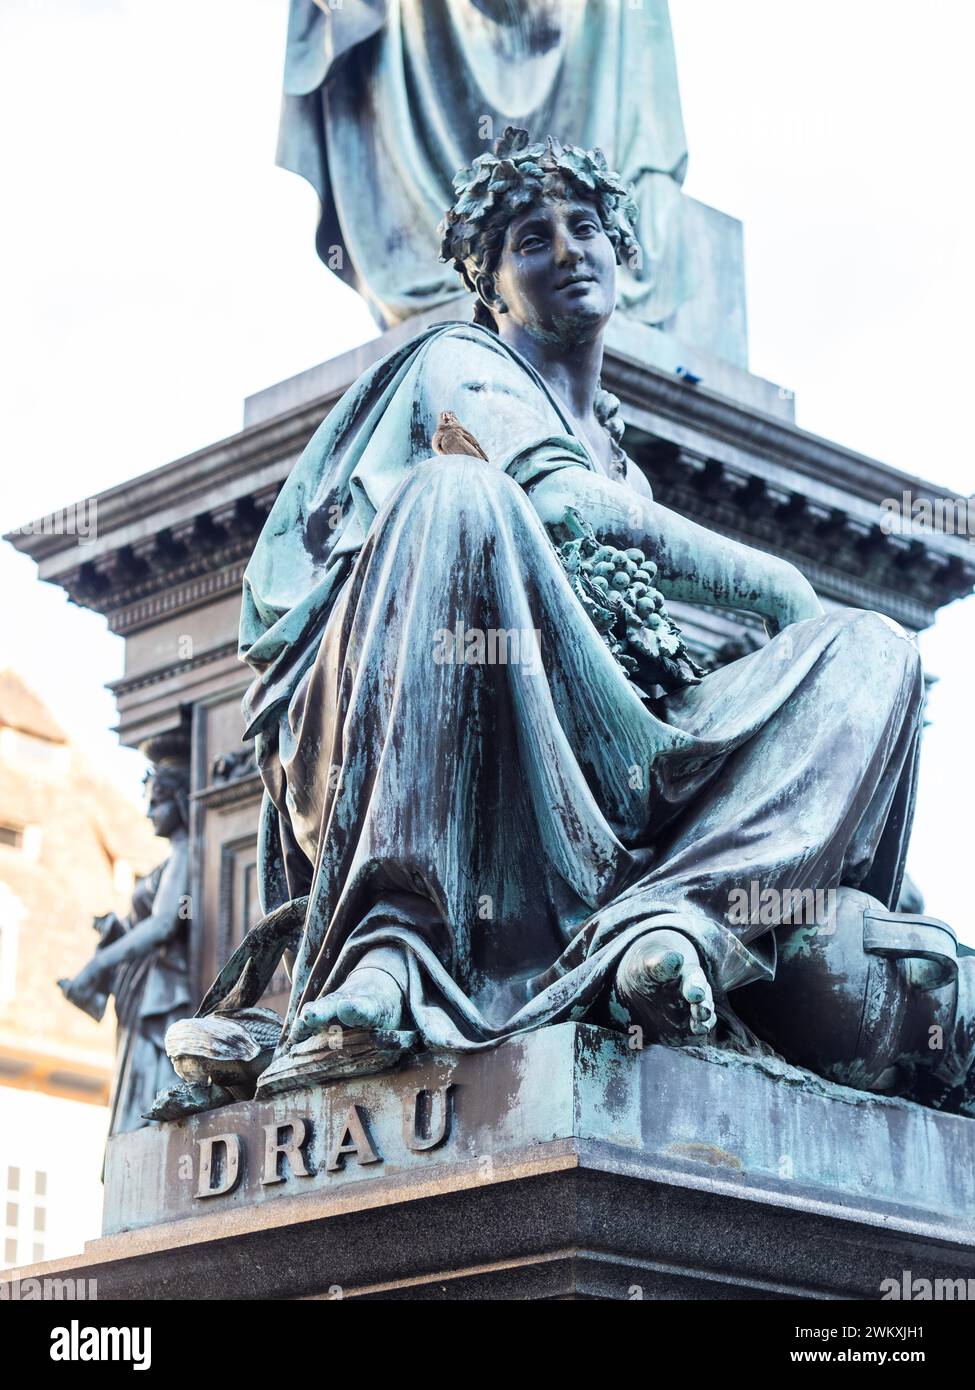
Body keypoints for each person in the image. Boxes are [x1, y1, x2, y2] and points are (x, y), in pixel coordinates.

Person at [160, 130, 973, 1113]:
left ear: (621, 256)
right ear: (488, 284)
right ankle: (389, 953)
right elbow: (556, 505)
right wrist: (771, 581)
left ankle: (675, 925)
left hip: (612, 748)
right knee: (460, 499)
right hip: (474, 729)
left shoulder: (620, 453)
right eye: (530, 240)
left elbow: (638, 639)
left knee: (875, 649)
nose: (568, 250)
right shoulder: (458, 364)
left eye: (585, 228)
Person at [60, 759, 191, 1133]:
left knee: (147, 1099)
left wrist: (100, 962)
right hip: (143, 991)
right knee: (136, 1092)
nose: (149, 813)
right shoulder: (169, 861)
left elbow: (168, 922)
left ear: (180, 801)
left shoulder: (184, 855)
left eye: (157, 803)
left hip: (161, 994)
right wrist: (119, 931)